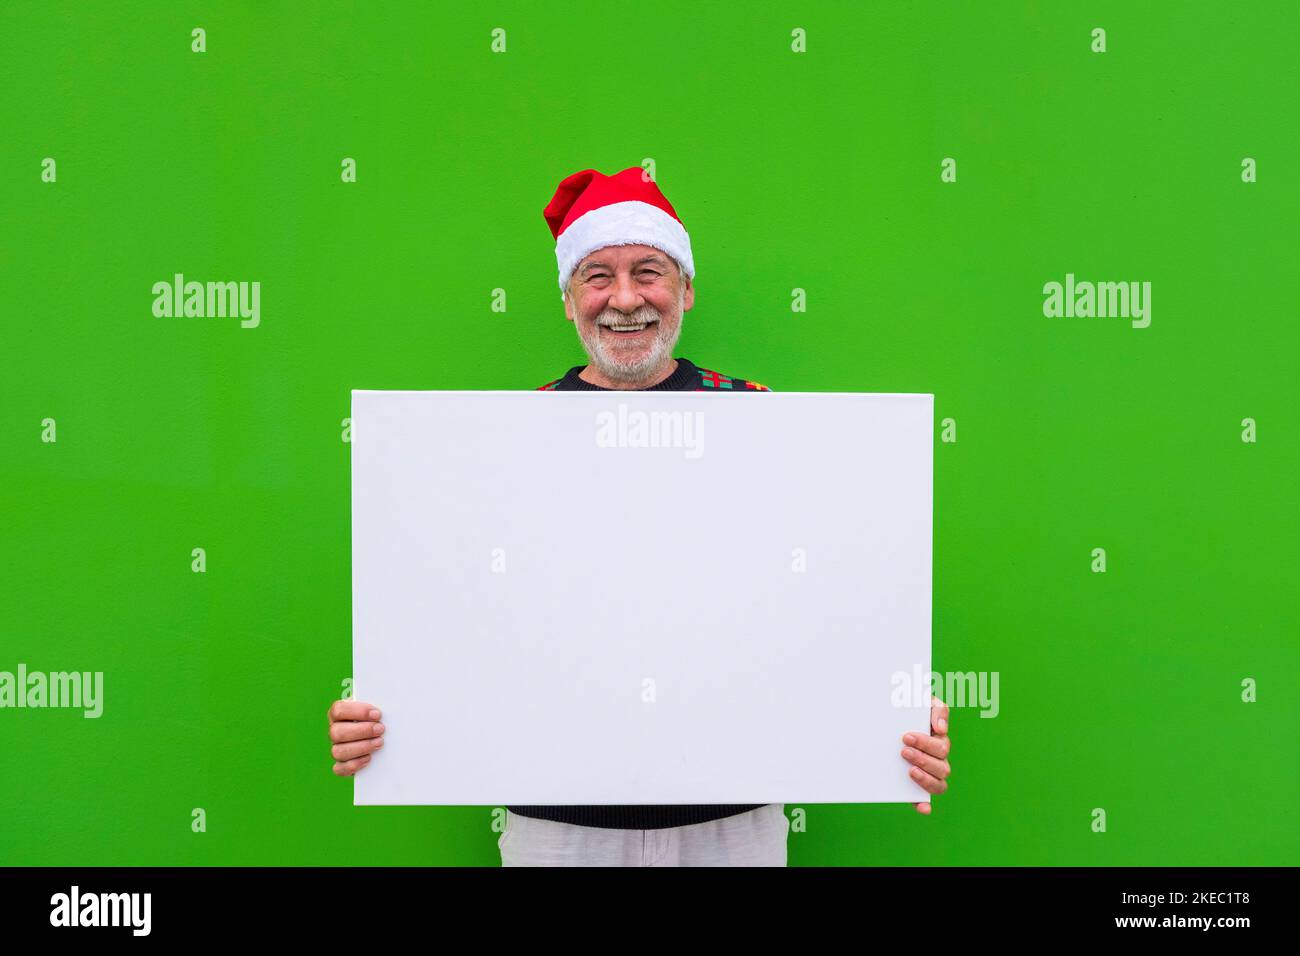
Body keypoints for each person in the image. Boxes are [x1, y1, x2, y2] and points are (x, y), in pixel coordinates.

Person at [327, 166, 953, 866]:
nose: (625, 299)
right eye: (597, 276)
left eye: (648, 271)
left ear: (686, 288)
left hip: (731, 825)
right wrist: (386, 717)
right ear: (568, 300)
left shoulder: (762, 417)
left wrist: (891, 711)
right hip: (556, 830)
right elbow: (452, 611)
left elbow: (834, 589)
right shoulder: (506, 439)